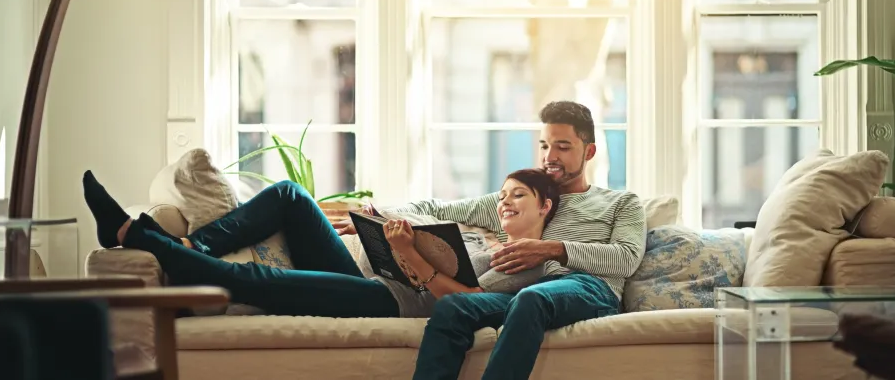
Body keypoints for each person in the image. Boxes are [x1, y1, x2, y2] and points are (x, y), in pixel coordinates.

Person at [81, 167, 560, 318]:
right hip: (378, 280)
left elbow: (471, 304)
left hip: (390, 305)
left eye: (518, 195)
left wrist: (411, 254)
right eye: (501, 195)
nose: (504, 202)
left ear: (546, 208)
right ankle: (192, 249)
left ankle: (134, 234)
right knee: (291, 196)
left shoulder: (529, 264)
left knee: (261, 280)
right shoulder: (480, 233)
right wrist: (390, 236)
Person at [406, 101, 647, 380]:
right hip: (527, 293)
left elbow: (627, 258)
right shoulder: (523, 198)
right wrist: (374, 215)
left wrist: (551, 250)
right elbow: (435, 209)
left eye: (563, 147)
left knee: (532, 298)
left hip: (590, 288)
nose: (550, 156)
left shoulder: (621, 202)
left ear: (589, 151)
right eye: (545, 146)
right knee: (454, 305)